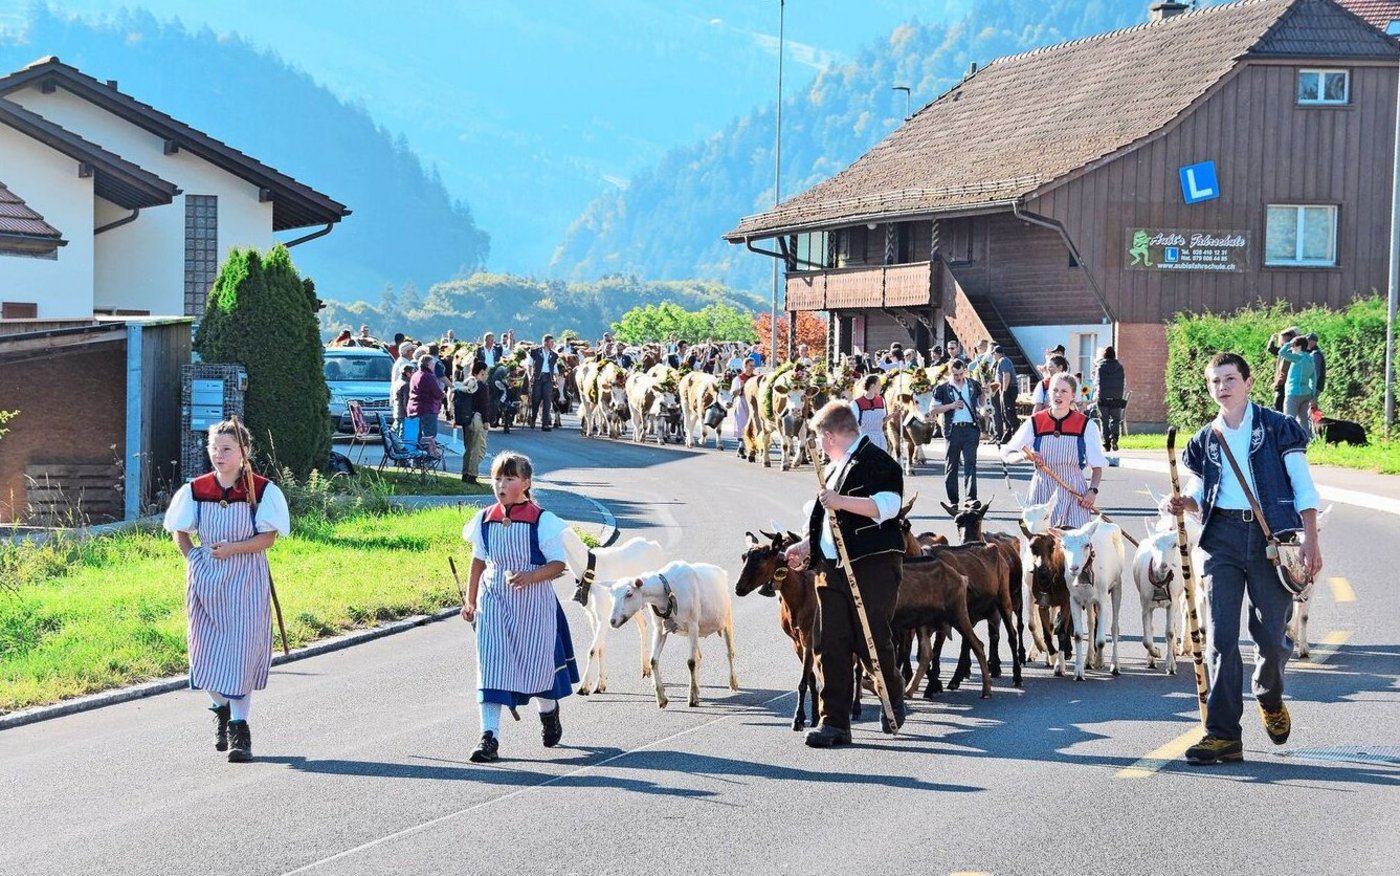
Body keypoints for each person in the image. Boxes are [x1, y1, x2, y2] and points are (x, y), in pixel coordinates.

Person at [1163, 352, 1322, 766]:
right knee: (1221, 638)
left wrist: (1312, 541)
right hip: (1223, 540)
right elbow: (1201, 490)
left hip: (1272, 540)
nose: (1222, 387)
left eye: (1230, 379)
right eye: (1215, 381)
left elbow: (1303, 487)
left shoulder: (1279, 428)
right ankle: (1223, 735)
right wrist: (1184, 502)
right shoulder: (1204, 439)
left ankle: (1269, 696)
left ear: (1249, 383)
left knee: (1271, 637)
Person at [163, 417, 290, 763]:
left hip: (246, 580)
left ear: (244, 452)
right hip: (206, 583)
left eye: (227, 449)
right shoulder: (195, 489)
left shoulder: (261, 491)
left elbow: (269, 538)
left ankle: (239, 729)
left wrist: (232, 550)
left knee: (241, 654)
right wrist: (196, 560)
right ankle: (220, 709)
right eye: (214, 449)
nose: (218, 455)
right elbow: (180, 531)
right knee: (205, 653)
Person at [782, 401, 907, 747]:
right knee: (829, 642)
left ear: (830, 434)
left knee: (870, 640)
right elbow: (828, 520)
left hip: (872, 564)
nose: (819, 445)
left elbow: (887, 507)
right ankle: (834, 723)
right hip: (831, 568)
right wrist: (805, 546)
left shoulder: (877, 462)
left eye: (820, 437)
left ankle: (892, 695)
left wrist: (842, 501)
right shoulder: (834, 468)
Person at [460, 452, 579, 762]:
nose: (501, 484)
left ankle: (548, 711)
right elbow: (477, 561)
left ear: (526, 483)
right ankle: (490, 737)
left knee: (535, 666)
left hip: (533, 604)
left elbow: (558, 565)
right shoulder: (484, 520)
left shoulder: (543, 521)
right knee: (492, 666)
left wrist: (530, 576)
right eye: (497, 478)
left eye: (509, 478)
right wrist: (470, 601)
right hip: (494, 601)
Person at [1002, 373, 1107, 529]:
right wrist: (1024, 455)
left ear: (1072, 395)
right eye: (1054, 390)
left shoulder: (1086, 425)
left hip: (1074, 494)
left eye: (1064, 391)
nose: (1058, 394)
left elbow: (1097, 467)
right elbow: (1006, 454)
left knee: (1076, 545)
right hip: (1042, 493)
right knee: (1040, 546)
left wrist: (1092, 491)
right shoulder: (1035, 421)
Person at [930, 358, 984, 506]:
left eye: (961, 374)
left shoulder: (973, 384)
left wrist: (985, 392)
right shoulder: (942, 388)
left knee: (970, 464)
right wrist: (952, 405)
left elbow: (981, 404)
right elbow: (933, 410)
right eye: (955, 375)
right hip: (953, 430)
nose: (959, 377)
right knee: (951, 465)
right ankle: (953, 500)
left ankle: (971, 498)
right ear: (950, 372)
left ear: (964, 371)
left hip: (970, 428)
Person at [451, 360, 490, 483]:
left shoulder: (467, 383)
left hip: (466, 419)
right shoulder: (481, 386)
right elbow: (484, 405)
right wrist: (486, 421)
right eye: (487, 372)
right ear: (482, 371)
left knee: (468, 448)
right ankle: (472, 475)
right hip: (478, 419)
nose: (487, 375)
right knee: (478, 448)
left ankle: (465, 473)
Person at [1275, 334, 1317, 440]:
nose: (1292, 349)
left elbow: (1281, 352)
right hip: (1306, 393)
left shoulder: (1298, 358)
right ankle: (1306, 440)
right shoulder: (1310, 359)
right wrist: (1312, 393)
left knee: (1288, 418)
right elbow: (1314, 378)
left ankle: (1287, 440)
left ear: (1298, 347)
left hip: (1293, 393)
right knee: (1303, 420)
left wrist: (1288, 343)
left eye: (1293, 347)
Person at [408, 350, 446, 455]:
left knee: (418, 435)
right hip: (427, 409)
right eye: (433, 364)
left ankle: (417, 458)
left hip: (414, 409)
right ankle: (428, 457)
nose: (434, 366)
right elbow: (437, 393)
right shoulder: (428, 376)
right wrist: (443, 394)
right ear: (428, 365)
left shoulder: (415, 375)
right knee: (429, 435)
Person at [1092, 345, 1127, 452]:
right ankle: (1115, 438)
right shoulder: (1120, 367)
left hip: (1103, 397)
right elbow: (1124, 383)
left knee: (1104, 420)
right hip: (1116, 398)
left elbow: (1096, 382)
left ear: (1104, 356)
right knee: (1115, 420)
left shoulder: (1100, 367)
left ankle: (1106, 442)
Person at [529, 335, 561, 431]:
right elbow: (530, 365)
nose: (553, 344)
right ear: (545, 342)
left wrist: (556, 378)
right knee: (536, 400)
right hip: (538, 378)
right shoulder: (535, 352)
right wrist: (530, 375)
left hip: (548, 378)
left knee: (547, 401)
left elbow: (554, 368)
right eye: (551, 342)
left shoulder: (554, 355)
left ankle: (545, 424)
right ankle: (533, 418)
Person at [850, 374, 888, 453]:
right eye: (879, 384)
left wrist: (894, 414)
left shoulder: (881, 400)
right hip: (865, 442)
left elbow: (881, 421)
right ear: (872, 386)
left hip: (881, 441)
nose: (881, 387)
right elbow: (851, 426)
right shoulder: (856, 403)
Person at [1267, 327, 1301, 412]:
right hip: (1286, 385)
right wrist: (1272, 338)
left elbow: (1284, 371)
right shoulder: (1284, 351)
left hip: (1284, 385)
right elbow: (1271, 349)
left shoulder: (1288, 352)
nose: (1281, 341)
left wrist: (1278, 383)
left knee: (1280, 409)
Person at [992, 346, 1019, 442]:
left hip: (1009, 389)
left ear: (998, 353)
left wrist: (1004, 391)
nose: (993, 356)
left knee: (1008, 413)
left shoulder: (1003, 360)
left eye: (993, 353)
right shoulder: (1001, 361)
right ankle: (1008, 433)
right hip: (1006, 388)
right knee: (1004, 414)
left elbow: (1006, 375)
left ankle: (1015, 431)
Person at [731, 358, 757, 458]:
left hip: (753, 404)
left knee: (753, 425)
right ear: (745, 366)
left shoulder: (755, 378)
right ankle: (741, 447)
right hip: (742, 402)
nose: (752, 368)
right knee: (742, 424)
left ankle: (752, 447)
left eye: (753, 366)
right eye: (750, 366)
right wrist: (741, 387)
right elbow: (733, 393)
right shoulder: (738, 378)